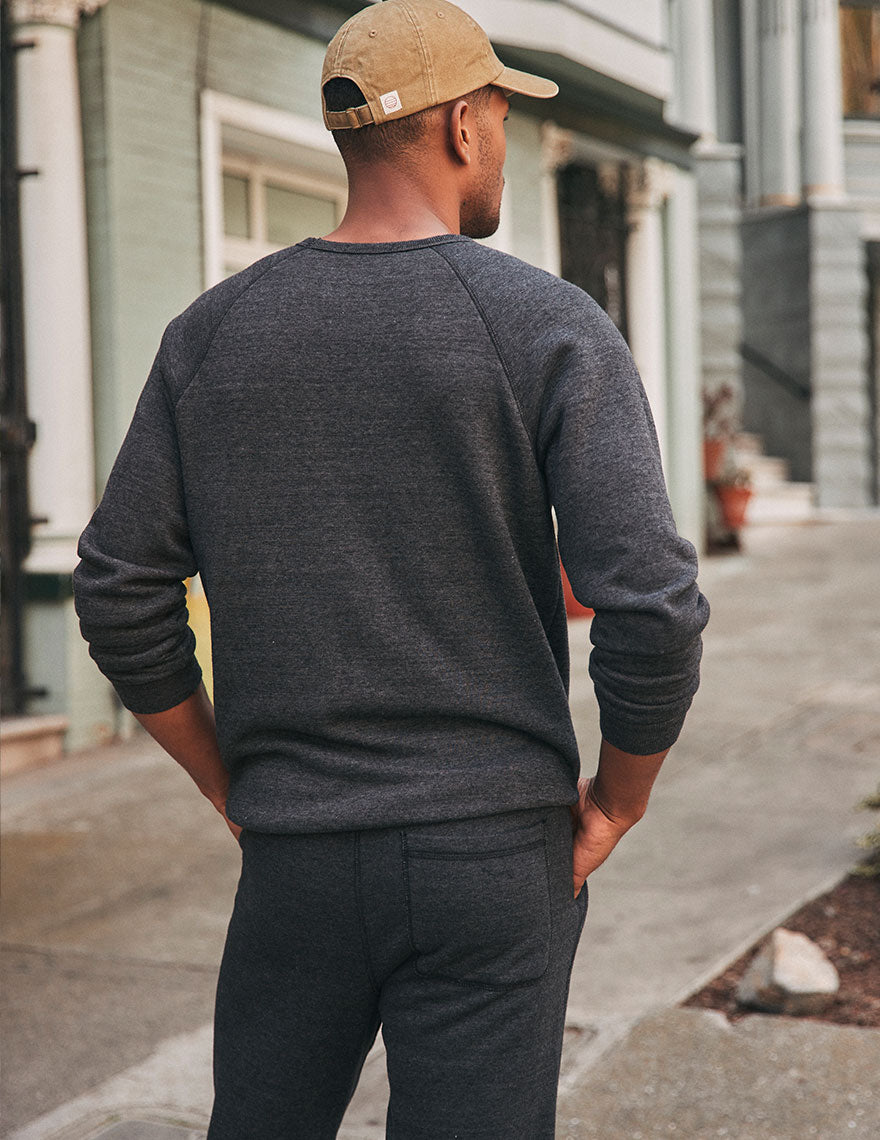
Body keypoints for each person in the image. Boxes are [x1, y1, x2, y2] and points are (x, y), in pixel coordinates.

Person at [73, 1, 709, 1136]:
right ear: (463, 125)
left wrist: (228, 781)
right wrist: (619, 799)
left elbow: (119, 587)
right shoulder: (546, 324)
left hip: (294, 858)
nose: (499, 141)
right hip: (491, 855)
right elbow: (653, 606)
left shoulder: (211, 333)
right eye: (501, 114)